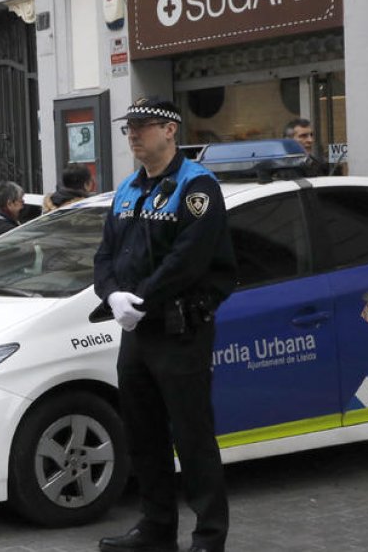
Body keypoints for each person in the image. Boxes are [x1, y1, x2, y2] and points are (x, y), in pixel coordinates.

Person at [94, 98, 237, 552]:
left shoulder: (196, 187)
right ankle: (156, 529)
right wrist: (111, 293)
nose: (134, 135)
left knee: (192, 436)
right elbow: (105, 255)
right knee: (143, 434)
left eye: (143, 127)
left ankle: (209, 537)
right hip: (137, 331)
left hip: (180, 329)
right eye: (129, 129)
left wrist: (143, 299)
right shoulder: (127, 190)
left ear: (171, 131)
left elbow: (188, 260)